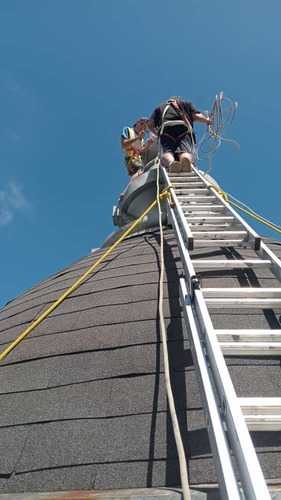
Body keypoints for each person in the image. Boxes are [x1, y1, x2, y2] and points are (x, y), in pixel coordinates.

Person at [148, 96, 213, 173]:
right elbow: (196, 117)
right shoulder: (186, 103)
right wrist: (207, 120)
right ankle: (185, 161)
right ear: (179, 99)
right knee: (184, 151)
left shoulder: (159, 107)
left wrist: (157, 134)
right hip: (183, 129)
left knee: (167, 152)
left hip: (165, 130)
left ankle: (172, 163)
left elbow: (150, 124)